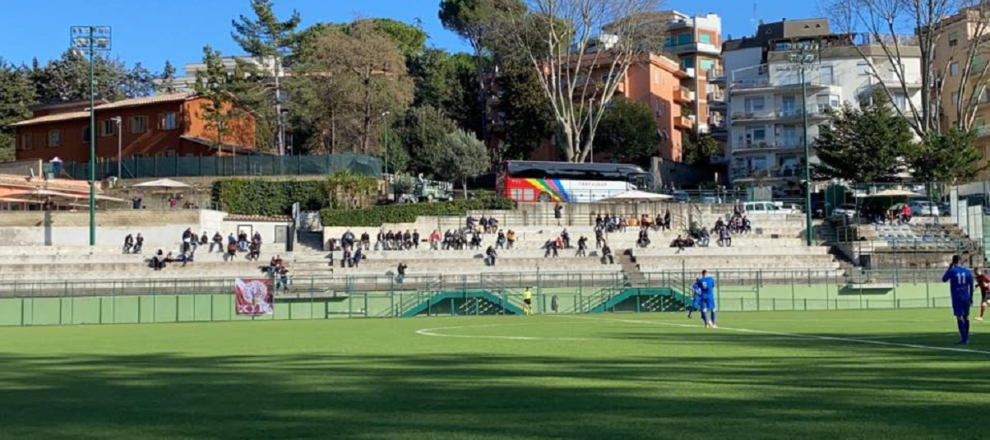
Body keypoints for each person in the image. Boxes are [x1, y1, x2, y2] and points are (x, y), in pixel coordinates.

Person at [942, 255, 975, 344]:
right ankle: (966, 337)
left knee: (959, 317)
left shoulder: (952, 271)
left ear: (953, 261)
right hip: (966, 296)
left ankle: (964, 339)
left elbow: (944, 279)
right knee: (966, 316)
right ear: (960, 261)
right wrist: (971, 297)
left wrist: (949, 268)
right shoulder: (967, 271)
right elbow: (971, 286)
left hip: (957, 297)